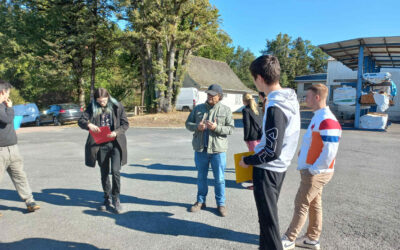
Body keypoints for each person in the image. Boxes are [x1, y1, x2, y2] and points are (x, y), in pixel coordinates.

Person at [239, 55, 301, 250]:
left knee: (268, 222)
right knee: (267, 220)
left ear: (259, 78)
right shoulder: (289, 98)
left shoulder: (276, 106)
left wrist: (248, 160)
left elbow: (271, 151)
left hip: (268, 170)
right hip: (278, 168)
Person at [281, 84, 341, 250]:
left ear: (317, 97)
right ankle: (312, 239)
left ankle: (289, 238)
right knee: (314, 204)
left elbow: (330, 151)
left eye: (307, 96)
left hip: (316, 173)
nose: (305, 99)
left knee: (301, 203)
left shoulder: (327, 120)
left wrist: (314, 169)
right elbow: (316, 143)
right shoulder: (319, 117)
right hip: (313, 171)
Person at [185, 84, 234, 217]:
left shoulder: (226, 110)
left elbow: (231, 129)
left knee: (219, 179)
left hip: (218, 151)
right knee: (201, 177)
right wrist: (197, 127)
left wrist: (216, 128)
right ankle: (201, 201)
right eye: (208, 94)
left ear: (220, 96)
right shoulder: (198, 108)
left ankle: (221, 204)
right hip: (201, 150)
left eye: (213, 95)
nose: (210, 97)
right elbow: (187, 124)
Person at [78, 88, 129, 214]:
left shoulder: (118, 106)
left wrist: (116, 132)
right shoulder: (92, 107)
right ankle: (107, 199)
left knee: (115, 171)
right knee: (104, 172)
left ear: (108, 98)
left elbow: (125, 124)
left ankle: (116, 198)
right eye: (100, 101)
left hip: (116, 143)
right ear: (96, 100)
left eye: (104, 101)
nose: (102, 103)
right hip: (101, 144)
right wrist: (89, 125)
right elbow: (81, 120)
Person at [0, 80, 40, 216]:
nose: (9, 95)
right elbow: (6, 119)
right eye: (8, 92)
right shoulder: (4, 107)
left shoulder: (4, 105)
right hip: (0, 151)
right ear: (3, 92)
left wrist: (8, 107)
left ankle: (30, 201)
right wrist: (10, 108)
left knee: (20, 176)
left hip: (13, 148)